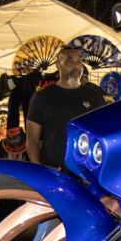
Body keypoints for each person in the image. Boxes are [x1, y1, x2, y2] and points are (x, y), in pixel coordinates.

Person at [27, 45, 107, 173]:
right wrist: (39, 168)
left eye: (79, 61)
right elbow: (32, 139)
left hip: (88, 175)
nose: (76, 65)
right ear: (58, 65)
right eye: (70, 61)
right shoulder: (42, 97)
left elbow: (104, 136)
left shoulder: (96, 98)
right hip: (54, 173)